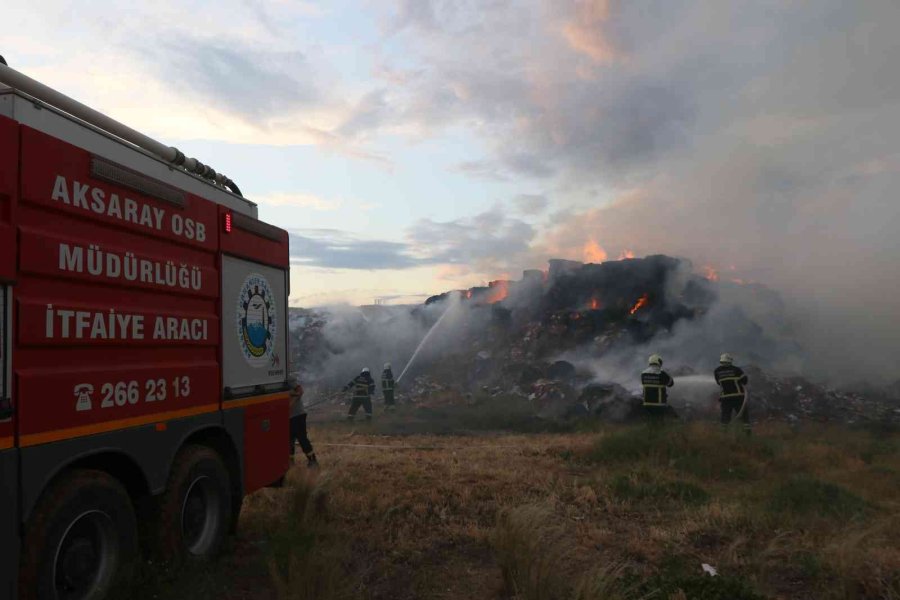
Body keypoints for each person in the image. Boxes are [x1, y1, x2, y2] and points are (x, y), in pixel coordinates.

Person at [714, 353, 751, 434]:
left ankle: (724, 435)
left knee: (725, 417)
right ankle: (747, 435)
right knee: (744, 417)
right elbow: (745, 381)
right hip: (738, 397)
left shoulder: (717, 371)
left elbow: (718, 383)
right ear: (730, 361)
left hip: (725, 398)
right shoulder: (737, 370)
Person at [288, 374, 318, 467]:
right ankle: (290, 462)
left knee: (302, 438)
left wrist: (290, 404)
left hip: (297, 415)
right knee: (289, 440)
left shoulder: (288, 378)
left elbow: (300, 391)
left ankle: (313, 461)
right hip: (288, 416)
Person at [641, 354, 674, 422]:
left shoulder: (643, 373)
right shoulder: (662, 373)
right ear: (659, 362)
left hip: (646, 403)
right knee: (660, 422)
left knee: (650, 422)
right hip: (659, 403)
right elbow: (671, 384)